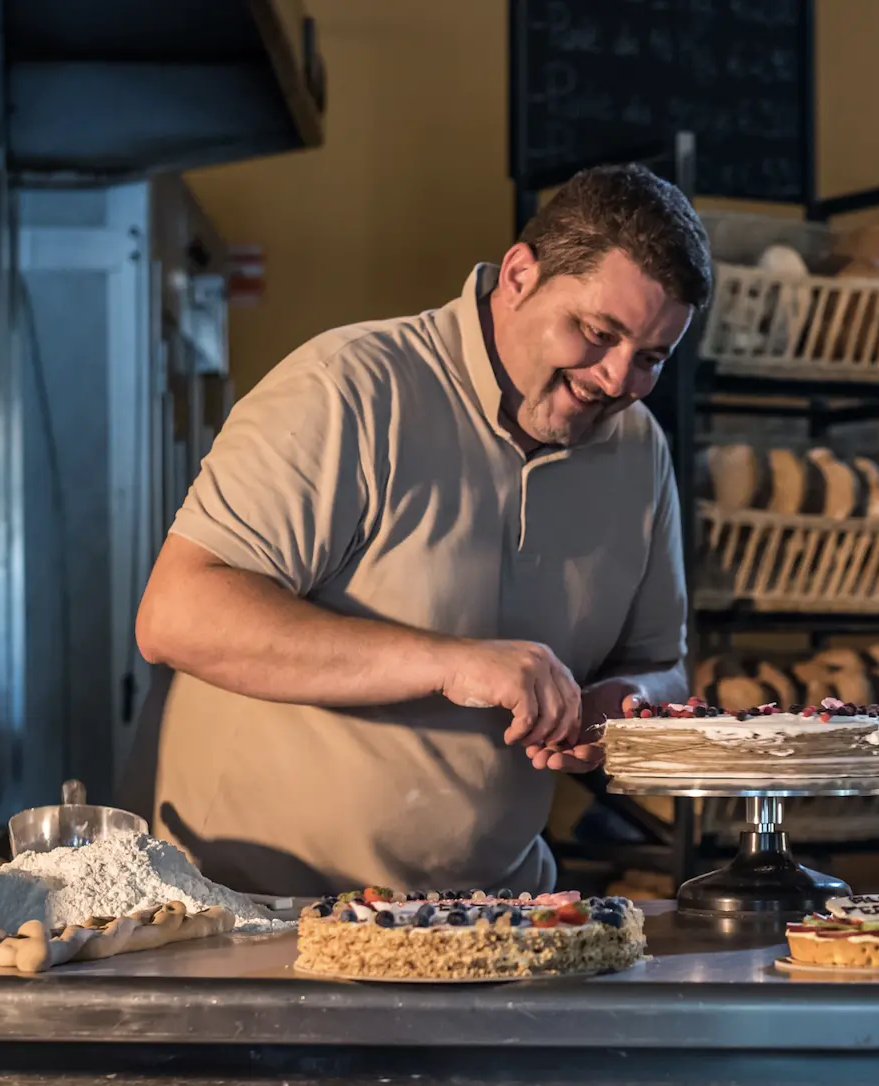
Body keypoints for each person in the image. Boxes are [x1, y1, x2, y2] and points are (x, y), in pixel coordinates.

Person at [129, 164, 709, 897]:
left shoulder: (638, 448)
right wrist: (450, 663)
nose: (619, 379)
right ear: (520, 276)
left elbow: (662, 665)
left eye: (651, 358)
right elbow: (178, 616)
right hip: (255, 915)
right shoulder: (350, 388)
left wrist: (616, 706)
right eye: (598, 333)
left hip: (496, 913)